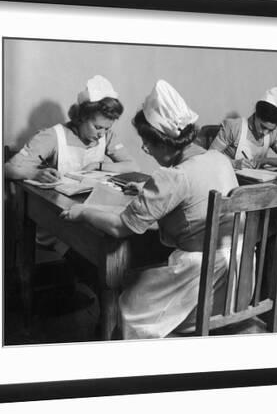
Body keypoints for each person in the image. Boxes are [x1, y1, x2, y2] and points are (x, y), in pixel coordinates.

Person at [60, 80, 239, 339]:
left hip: (201, 284)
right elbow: (194, 199)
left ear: (163, 143)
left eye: (147, 144)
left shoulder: (172, 177)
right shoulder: (219, 159)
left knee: (126, 308)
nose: (146, 150)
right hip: (238, 279)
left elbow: (119, 227)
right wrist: (148, 190)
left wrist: (83, 212)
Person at [5, 75, 139, 183]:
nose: (101, 134)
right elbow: (7, 169)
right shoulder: (53, 136)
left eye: (106, 128)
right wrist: (35, 173)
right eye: (97, 127)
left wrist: (98, 166)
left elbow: (132, 166)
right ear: (81, 117)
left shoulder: (107, 136)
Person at [209, 87, 277, 170]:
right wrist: (234, 163)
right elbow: (210, 156)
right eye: (263, 127)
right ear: (256, 115)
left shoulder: (274, 134)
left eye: (270, 130)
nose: (265, 133)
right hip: (228, 179)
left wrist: (266, 161)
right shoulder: (234, 127)